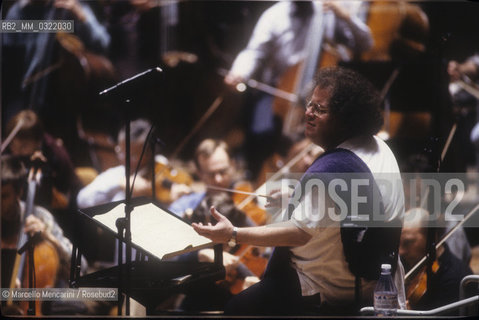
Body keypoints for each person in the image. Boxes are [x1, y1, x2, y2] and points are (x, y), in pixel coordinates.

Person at [193, 67, 406, 316]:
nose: (308, 113)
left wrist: (233, 234)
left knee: (236, 309)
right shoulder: (379, 147)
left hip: (324, 286)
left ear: (345, 118)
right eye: (310, 104)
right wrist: (296, 195)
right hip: (371, 278)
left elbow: (299, 234)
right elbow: (353, 203)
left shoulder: (332, 169)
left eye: (320, 109)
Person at [224, 1, 373, 179]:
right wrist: (239, 72)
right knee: (260, 131)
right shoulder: (274, 15)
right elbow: (254, 52)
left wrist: (347, 17)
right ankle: (255, 180)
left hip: (323, 92)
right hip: (280, 90)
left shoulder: (330, 10)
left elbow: (366, 44)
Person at [168, 139, 262, 312]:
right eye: (211, 174)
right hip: (198, 297)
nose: (218, 180)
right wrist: (202, 253)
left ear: (233, 165)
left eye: (223, 171)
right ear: (199, 172)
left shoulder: (247, 204)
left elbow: (265, 252)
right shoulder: (184, 206)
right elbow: (167, 257)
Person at [1, 155, 84, 315]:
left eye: (4, 196)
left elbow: (80, 267)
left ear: (19, 192)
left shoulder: (40, 217)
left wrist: (48, 237)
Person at [4, 110, 82, 222]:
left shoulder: (56, 153)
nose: (16, 151)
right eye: (13, 145)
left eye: (23, 147)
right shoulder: (6, 147)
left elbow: (68, 189)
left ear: (37, 142)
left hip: (55, 209)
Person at [399, 208, 473, 313]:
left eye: (408, 242)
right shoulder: (411, 264)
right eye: (399, 243)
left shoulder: (454, 279)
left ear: (432, 238)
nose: (401, 251)